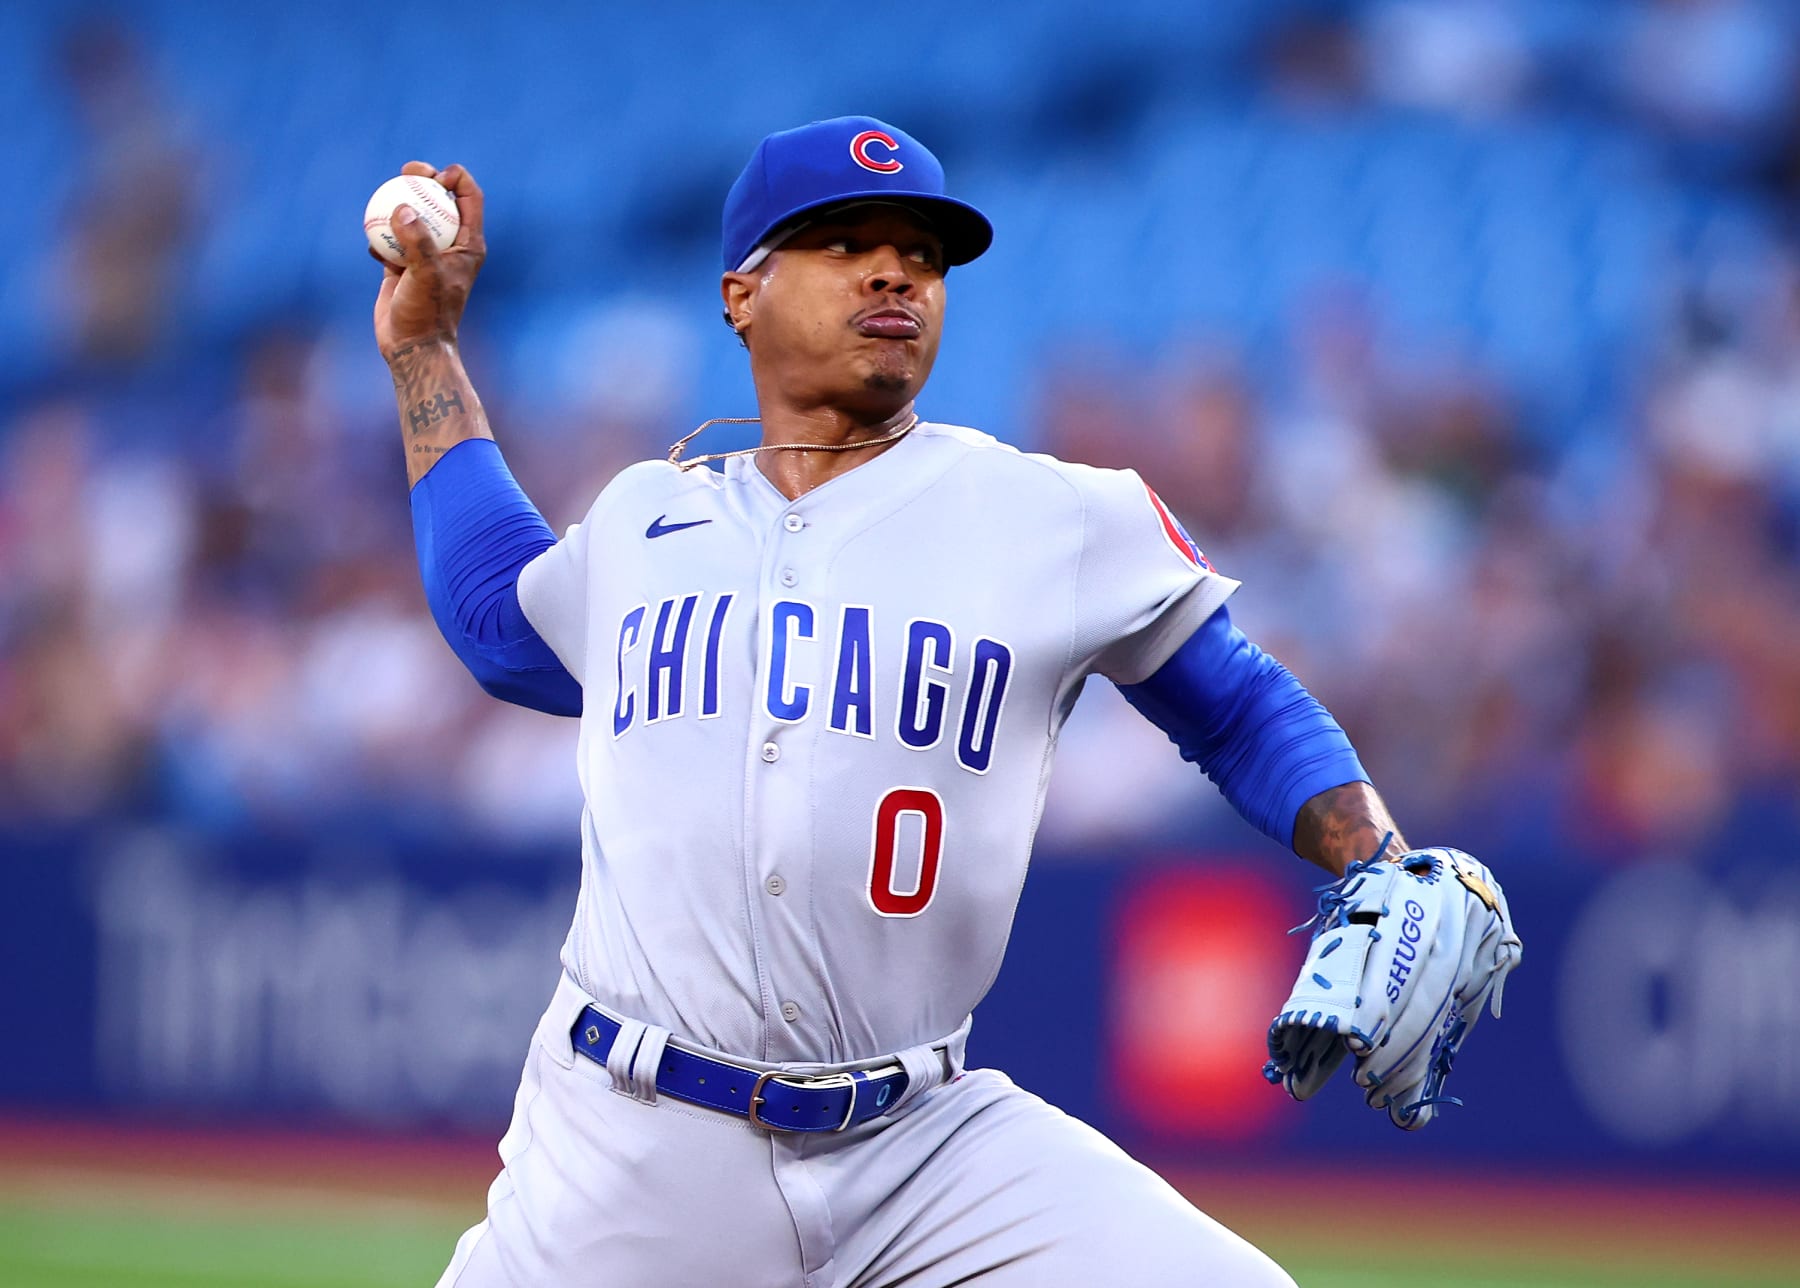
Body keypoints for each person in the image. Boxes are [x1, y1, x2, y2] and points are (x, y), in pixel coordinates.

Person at [372, 116, 1509, 1288]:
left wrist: (1376, 853)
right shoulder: (644, 522)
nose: (893, 270)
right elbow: (499, 625)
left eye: (922, 252)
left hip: (923, 1147)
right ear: (741, 296)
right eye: (841, 241)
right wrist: (424, 350)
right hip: (630, 1143)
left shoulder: (1052, 518)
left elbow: (1238, 705)